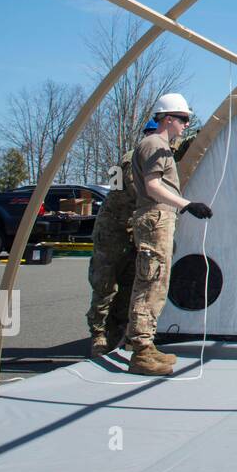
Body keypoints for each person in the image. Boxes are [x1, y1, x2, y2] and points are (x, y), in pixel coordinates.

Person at [124, 94, 213, 376]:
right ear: (169, 118)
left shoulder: (161, 146)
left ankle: (145, 346)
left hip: (159, 217)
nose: (186, 124)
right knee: (151, 282)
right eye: (184, 119)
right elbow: (152, 186)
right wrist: (187, 205)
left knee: (157, 280)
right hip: (155, 217)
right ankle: (140, 350)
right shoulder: (154, 145)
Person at [85, 119, 157, 357]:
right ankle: (99, 336)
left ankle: (115, 336)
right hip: (113, 231)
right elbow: (140, 194)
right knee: (106, 285)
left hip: (130, 230)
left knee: (127, 286)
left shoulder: (144, 157)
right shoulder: (132, 158)